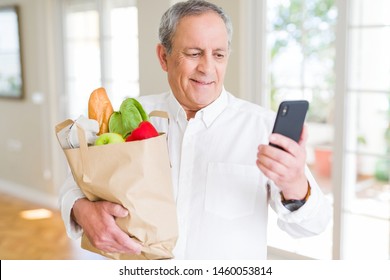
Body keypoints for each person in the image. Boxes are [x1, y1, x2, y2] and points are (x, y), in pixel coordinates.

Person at [59, 0, 331, 259]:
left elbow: (313, 226)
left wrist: (295, 183)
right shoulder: (130, 117)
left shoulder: (263, 128)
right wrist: (81, 210)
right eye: (193, 53)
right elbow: (75, 186)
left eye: (219, 54)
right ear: (163, 57)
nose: (207, 68)